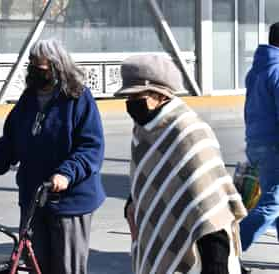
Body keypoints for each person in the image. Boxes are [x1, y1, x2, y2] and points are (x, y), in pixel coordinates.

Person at [0, 39, 106, 274]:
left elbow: (90, 147)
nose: (34, 70)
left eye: (40, 66)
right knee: (35, 265)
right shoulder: (27, 100)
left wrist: (66, 173)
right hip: (33, 199)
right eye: (31, 64)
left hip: (69, 202)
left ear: (56, 67)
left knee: (66, 268)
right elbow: (9, 143)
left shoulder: (78, 98)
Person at [115, 54, 247, 274]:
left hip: (198, 257)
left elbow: (210, 208)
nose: (130, 104)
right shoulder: (143, 131)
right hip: (157, 243)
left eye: (137, 96)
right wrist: (133, 201)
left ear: (160, 94)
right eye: (128, 97)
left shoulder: (189, 132)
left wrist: (216, 266)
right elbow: (147, 179)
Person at [241, 22, 279, 255]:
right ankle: (226, 253)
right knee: (271, 205)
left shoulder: (257, 69)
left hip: (258, 144)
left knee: (275, 203)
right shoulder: (278, 70)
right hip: (275, 147)